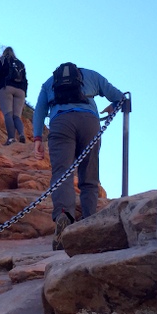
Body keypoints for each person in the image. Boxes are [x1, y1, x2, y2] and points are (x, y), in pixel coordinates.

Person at [32, 63, 124, 250]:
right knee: (89, 175)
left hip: (61, 122)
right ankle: (89, 222)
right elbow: (118, 96)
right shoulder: (91, 75)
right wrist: (114, 106)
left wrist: (37, 138)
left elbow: (39, 112)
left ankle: (64, 216)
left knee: (62, 173)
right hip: (89, 122)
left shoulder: (49, 83)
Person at [0, 47, 28, 145]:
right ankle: (21, 134)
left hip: (6, 87)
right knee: (16, 116)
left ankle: (11, 138)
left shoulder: (1, 60)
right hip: (21, 91)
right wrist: (24, 93)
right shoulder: (20, 63)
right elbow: (25, 80)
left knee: (8, 114)